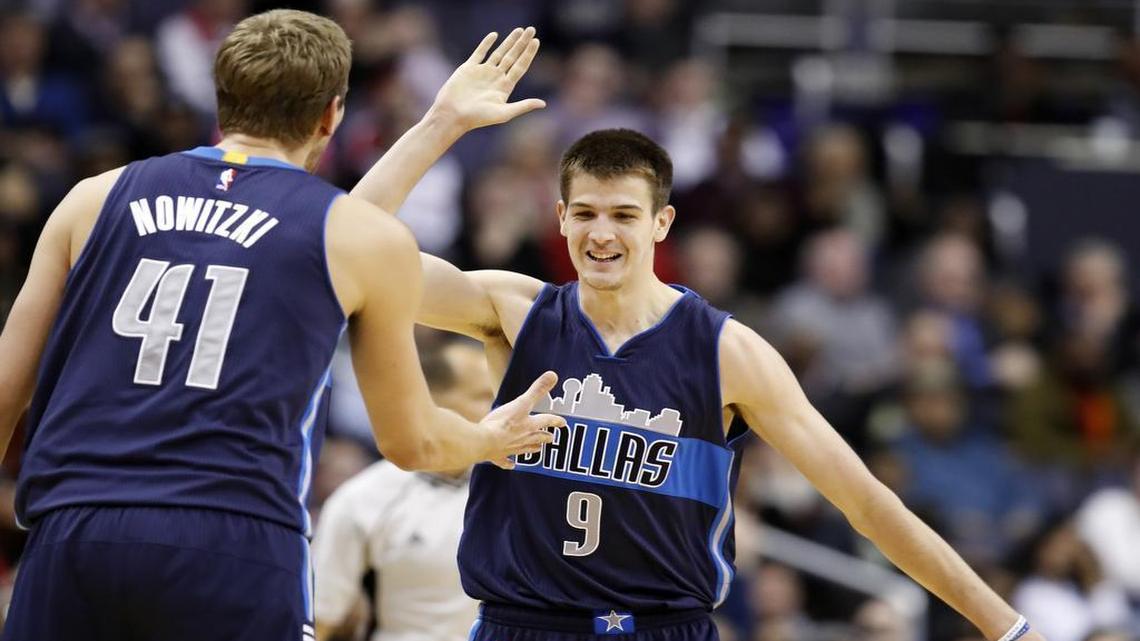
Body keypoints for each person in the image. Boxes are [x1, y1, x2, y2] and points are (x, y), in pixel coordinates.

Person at [348, 51, 1049, 640]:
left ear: (662, 223)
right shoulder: (514, 309)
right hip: (522, 621)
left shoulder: (728, 352)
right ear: (559, 217)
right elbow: (350, 245)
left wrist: (1005, 627)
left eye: (625, 214)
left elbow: (867, 503)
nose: (602, 234)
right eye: (585, 213)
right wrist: (441, 124)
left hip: (665, 624)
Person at [0, 11, 561, 641]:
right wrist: (490, 440)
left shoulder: (92, 198)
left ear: (221, 98)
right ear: (331, 115)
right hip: (234, 540)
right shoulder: (356, 238)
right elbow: (413, 443)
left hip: (73, 531)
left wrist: (441, 123)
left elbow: (4, 395)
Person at [313, 337, 491, 641]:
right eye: (483, 396)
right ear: (434, 403)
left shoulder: (519, 491)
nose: (502, 407)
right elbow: (323, 618)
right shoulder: (365, 497)